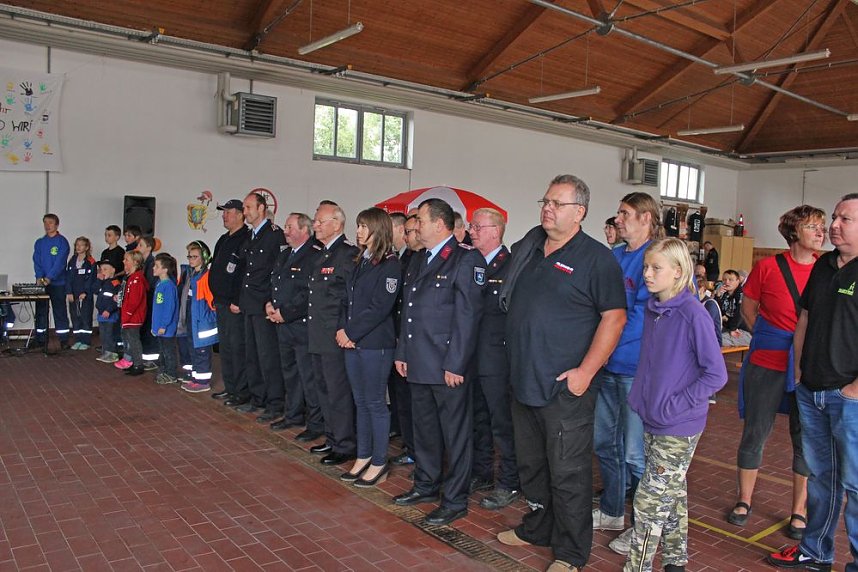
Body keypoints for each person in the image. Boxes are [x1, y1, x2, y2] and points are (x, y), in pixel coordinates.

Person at [496, 174, 626, 572]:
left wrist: (586, 372)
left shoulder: (595, 258)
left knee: (568, 472)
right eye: (545, 201)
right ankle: (539, 527)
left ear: (580, 212)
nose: (547, 208)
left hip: (564, 387)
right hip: (523, 380)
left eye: (557, 203)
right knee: (532, 465)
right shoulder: (531, 248)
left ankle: (571, 553)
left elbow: (615, 317)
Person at [624, 238, 728, 572]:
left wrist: (674, 405)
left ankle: (636, 568)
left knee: (649, 502)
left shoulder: (692, 314)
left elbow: (716, 374)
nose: (648, 274)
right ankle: (675, 562)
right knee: (672, 493)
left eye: (656, 268)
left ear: (678, 272)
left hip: (677, 424)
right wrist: (643, 400)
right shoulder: (655, 309)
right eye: (645, 267)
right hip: (653, 417)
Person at [768, 193, 858, 572]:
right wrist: (800, 372)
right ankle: (817, 551)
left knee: (855, 485)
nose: (833, 225)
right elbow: (804, 319)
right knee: (821, 478)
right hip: (812, 391)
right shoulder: (823, 267)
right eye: (833, 217)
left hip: (849, 397)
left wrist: (854, 389)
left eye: (844, 219)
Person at [727, 205, 825, 538]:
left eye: (822, 226)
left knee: (805, 440)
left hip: (806, 367)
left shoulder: (826, 269)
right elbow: (749, 308)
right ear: (795, 231)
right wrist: (769, 338)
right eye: (814, 226)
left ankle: (798, 510)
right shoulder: (767, 267)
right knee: (756, 432)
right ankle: (744, 500)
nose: (821, 231)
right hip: (767, 363)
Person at [392, 198, 486, 526]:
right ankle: (426, 485)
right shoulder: (419, 259)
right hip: (418, 361)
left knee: (455, 435)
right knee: (425, 430)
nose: (415, 225)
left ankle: (455, 499)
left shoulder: (464, 259)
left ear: (440, 224)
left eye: (420, 219)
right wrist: (403, 352)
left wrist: (456, 364)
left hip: (448, 366)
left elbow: (468, 317)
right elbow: (410, 312)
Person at [593, 192, 661, 556]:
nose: (618, 219)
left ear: (646, 218)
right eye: (618, 212)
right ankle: (611, 510)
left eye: (625, 213)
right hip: (605, 366)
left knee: (636, 453)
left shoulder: (655, 260)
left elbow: (639, 316)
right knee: (605, 443)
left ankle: (643, 527)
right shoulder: (615, 256)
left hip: (634, 368)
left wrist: (604, 349)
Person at [337, 207, 401, 488]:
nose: (359, 231)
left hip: (375, 344)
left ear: (379, 229)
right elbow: (346, 301)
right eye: (359, 225)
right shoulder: (360, 260)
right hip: (353, 342)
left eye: (365, 226)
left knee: (375, 402)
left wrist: (351, 332)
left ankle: (379, 460)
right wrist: (342, 330)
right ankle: (363, 456)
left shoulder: (390, 264)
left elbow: (380, 307)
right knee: (360, 401)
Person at [466, 207, 519, 510]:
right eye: (471, 227)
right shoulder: (470, 261)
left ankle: (510, 481)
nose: (471, 231)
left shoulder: (510, 266)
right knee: (478, 420)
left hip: (497, 359)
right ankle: (482, 472)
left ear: (496, 231)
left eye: (477, 227)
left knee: (502, 424)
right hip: (472, 356)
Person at [307, 201, 359, 465]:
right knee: (323, 389)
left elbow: (348, 299)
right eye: (315, 221)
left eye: (320, 221)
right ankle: (332, 437)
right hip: (317, 333)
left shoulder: (347, 254)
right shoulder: (322, 253)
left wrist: (343, 329)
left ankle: (344, 443)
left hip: (334, 336)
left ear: (337, 224)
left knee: (338, 392)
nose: (315, 225)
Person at [266, 212, 324, 438]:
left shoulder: (314, 255)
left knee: (308, 376)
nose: (285, 231)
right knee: (290, 373)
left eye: (290, 227)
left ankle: (316, 423)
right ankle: (293, 414)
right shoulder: (285, 254)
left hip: (301, 325)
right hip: (283, 324)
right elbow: (276, 282)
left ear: (304, 230)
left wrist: (286, 313)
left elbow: (308, 293)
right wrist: (270, 304)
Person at [239, 192, 286, 418]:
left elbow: (276, 272)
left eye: (248, 207)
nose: (245, 212)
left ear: (261, 209)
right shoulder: (252, 235)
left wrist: (270, 300)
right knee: (252, 355)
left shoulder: (274, 235)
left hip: (264, 304)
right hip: (249, 303)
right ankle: (258, 398)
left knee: (268, 357)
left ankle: (275, 403)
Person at [209, 199, 251, 403]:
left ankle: (241, 392)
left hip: (234, 304)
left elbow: (244, 274)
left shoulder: (246, 239)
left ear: (241, 214)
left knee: (237, 348)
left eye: (228, 212)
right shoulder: (223, 239)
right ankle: (230, 387)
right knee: (225, 348)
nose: (224, 215)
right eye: (224, 212)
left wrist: (237, 300)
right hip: (220, 301)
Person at [389, 213, 419, 467]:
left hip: (418, 345)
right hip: (401, 338)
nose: (411, 235)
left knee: (415, 402)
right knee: (403, 397)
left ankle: (416, 450)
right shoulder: (407, 258)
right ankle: (409, 444)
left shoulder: (421, 259)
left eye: (412, 230)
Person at [176, 241, 218, 393]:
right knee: (193, 350)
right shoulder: (190, 274)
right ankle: (195, 377)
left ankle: (202, 381)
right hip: (191, 320)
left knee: (201, 351)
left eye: (195, 256)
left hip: (202, 322)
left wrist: (206, 319)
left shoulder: (206, 277)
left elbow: (212, 303)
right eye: (189, 256)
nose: (191, 259)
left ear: (204, 258)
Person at [33, 213, 71, 349]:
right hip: (42, 283)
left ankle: (64, 340)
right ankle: (40, 339)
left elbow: (60, 263)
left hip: (58, 283)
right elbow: (37, 261)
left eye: (50, 222)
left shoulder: (62, 242)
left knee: (59, 311)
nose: (47, 225)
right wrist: (39, 277)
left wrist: (50, 277)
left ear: (56, 225)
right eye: (45, 222)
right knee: (41, 312)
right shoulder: (40, 242)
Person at [115, 250, 148, 376]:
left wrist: (127, 314)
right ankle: (134, 362)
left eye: (126, 260)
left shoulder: (136, 280)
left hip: (133, 317)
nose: (124, 261)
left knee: (134, 341)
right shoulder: (130, 278)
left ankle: (138, 364)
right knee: (129, 339)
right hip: (129, 316)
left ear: (135, 262)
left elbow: (134, 301)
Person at [151, 253, 179, 385]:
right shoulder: (159, 284)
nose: (153, 268)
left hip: (166, 328)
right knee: (162, 351)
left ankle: (171, 374)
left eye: (157, 266)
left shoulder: (168, 286)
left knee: (168, 352)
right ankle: (163, 371)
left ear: (165, 269)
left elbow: (169, 308)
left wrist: (164, 325)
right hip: (159, 327)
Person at [65, 236, 97, 350]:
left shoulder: (91, 262)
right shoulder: (72, 260)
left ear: (87, 247)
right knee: (75, 317)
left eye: (81, 245)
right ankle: (78, 339)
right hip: (73, 294)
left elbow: (91, 279)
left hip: (85, 296)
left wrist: (86, 292)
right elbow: (68, 278)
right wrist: (68, 292)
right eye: (77, 245)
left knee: (85, 318)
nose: (78, 247)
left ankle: (85, 341)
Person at [136, 236, 160, 369]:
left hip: (149, 302)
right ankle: (144, 356)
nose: (138, 248)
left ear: (149, 248)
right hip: (143, 303)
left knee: (149, 331)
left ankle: (152, 359)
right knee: (143, 330)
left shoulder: (152, 264)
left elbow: (149, 285)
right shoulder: (142, 263)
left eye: (140, 245)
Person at [715, 269, 751, 346]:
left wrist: (733, 328)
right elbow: (717, 311)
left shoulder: (742, 294)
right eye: (724, 279)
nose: (727, 282)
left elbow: (740, 312)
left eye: (730, 280)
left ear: (738, 281)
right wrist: (717, 296)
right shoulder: (724, 294)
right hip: (727, 327)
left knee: (716, 340)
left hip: (742, 330)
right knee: (709, 335)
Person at [95, 260, 121, 363]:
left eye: (105, 269)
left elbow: (116, 299)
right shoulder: (102, 282)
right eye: (101, 270)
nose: (103, 272)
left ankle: (112, 353)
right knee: (103, 335)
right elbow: (94, 289)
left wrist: (109, 310)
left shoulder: (115, 283)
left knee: (110, 334)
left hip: (110, 315)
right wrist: (98, 280)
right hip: (101, 314)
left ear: (113, 271)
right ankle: (106, 352)